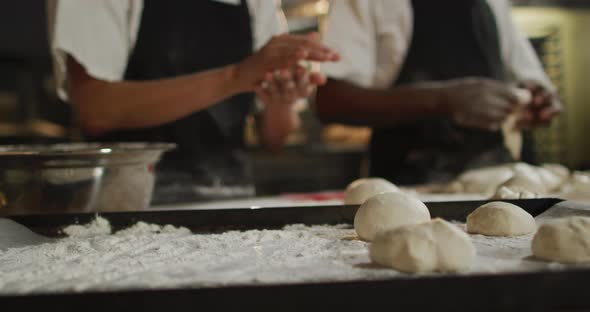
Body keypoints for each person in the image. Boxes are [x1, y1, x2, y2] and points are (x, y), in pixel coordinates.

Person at [49, 0, 339, 204]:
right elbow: (96, 109)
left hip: (229, 206)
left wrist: (282, 101)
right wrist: (236, 76)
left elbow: (274, 137)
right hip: (127, 205)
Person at [316, 0, 562, 186]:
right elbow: (332, 100)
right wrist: (443, 100)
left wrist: (539, 101)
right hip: (406, 190)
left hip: (499, 184)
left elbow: (528, 80)